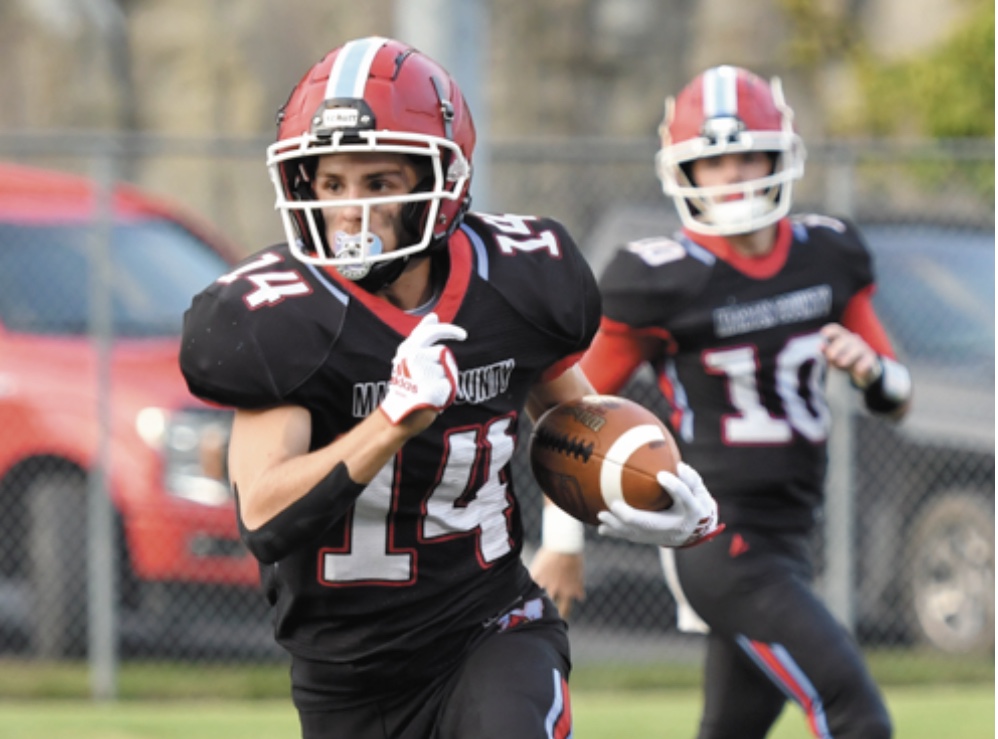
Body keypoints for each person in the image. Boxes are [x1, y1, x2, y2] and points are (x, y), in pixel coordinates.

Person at [179, 36, 720, 739]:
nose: (351, 212)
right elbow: (266, 514)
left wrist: (651, 490)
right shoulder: (287, 318)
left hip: (488, 629)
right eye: (332, 183)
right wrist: (392, 419)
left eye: (379, 184)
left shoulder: (514, 283)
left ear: (443, 180)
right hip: (343, 676)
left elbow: (576, 418)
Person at [531, 65, 912, 738]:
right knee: (854, 709)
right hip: (715, 532)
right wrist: (563, 541)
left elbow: (898, 398)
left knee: (730, 727)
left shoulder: (828, 251)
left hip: (794, 530)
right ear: (683, 172)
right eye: (712, 161)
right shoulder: (656, 277)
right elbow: (577, 414)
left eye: (746, 155)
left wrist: (872, 372)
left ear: (780, 153)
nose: (732, 174)